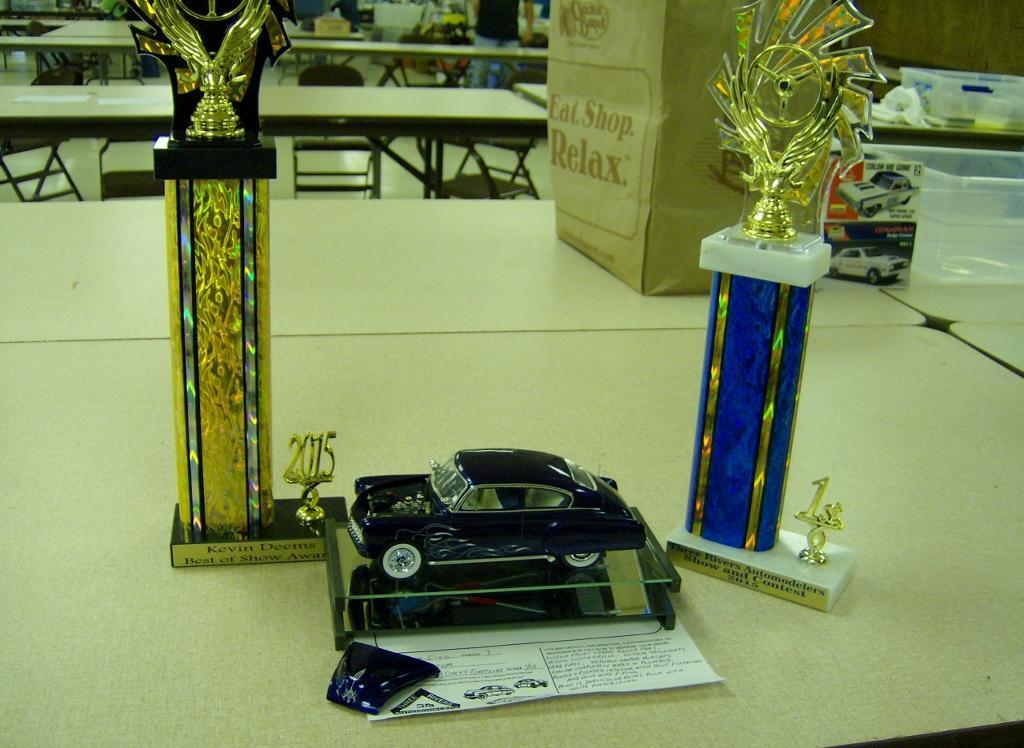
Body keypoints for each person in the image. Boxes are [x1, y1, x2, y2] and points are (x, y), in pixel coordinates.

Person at [468, 0, 534, 89]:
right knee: (479, 77)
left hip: (510, 34)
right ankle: (477, 101)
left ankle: (507, 101)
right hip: (485, 33)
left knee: (510, 79)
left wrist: (529, 29)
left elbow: (528, 3)